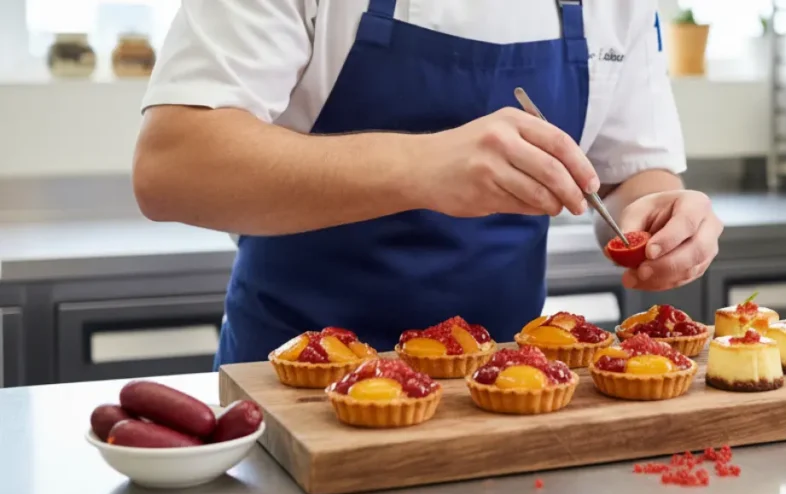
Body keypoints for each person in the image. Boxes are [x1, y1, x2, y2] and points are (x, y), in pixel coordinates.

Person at [132, 0, 724, 367]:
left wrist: (657, 212)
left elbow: (628, 173)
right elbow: (173, 166)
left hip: (504, 388)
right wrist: (420, 168)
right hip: (296, 382)